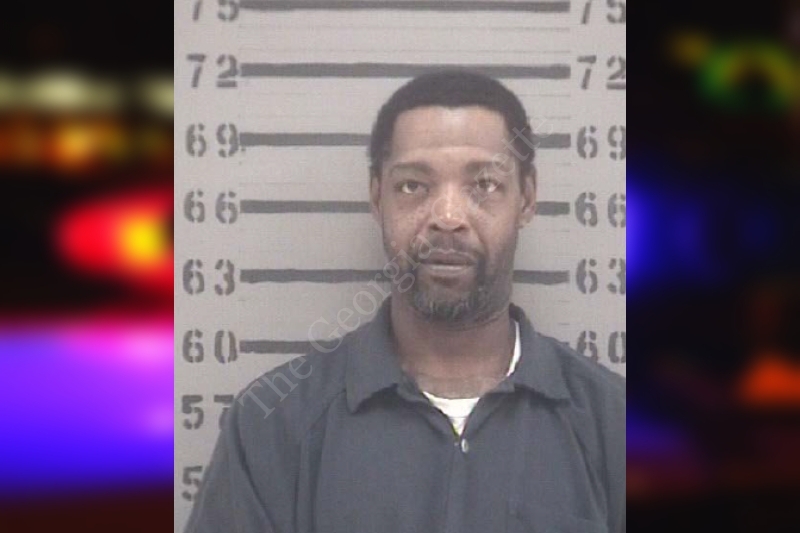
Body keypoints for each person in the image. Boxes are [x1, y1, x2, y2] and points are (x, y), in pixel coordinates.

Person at [184, 70, 625, 533]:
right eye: (414, 186)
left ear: (527, 199)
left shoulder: (614, 424)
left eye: (484, 184)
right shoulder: (274, 426)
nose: (448, 218)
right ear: (378, 198)